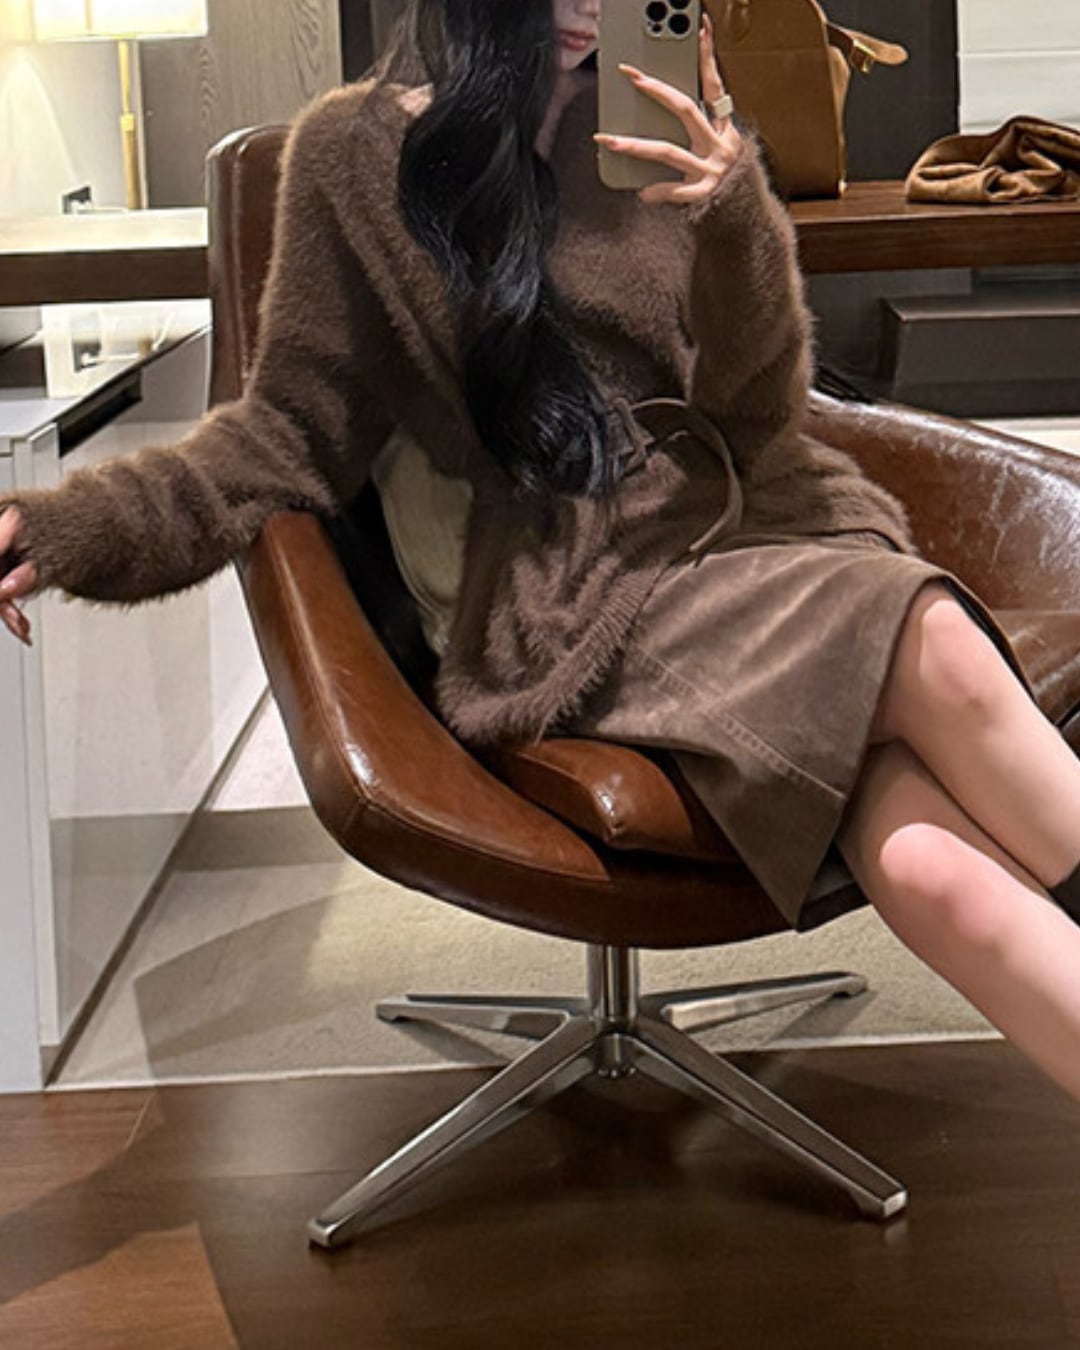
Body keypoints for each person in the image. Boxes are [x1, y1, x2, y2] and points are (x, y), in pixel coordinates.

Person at [3, 0, 1080, 1107]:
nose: (592, 7)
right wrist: (63, 529)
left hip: (766, 525)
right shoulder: (354, 158)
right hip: (586, 596)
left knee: (927, 868)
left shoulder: (661, 113)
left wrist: (735, 214)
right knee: (932, 640)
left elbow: (759, 417)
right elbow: (281, 437)